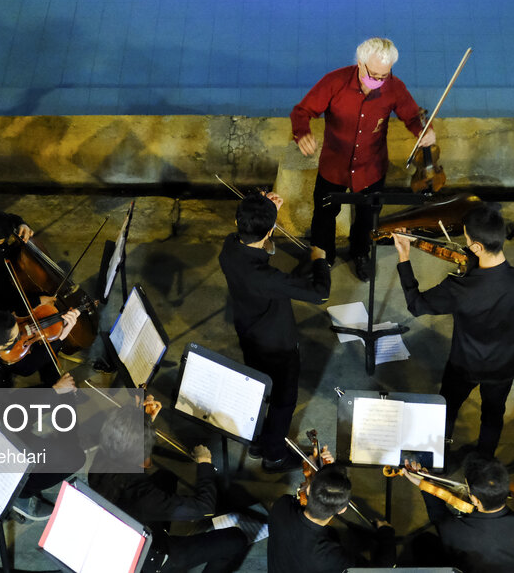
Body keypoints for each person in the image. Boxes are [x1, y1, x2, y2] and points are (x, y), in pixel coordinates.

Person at [393, 203, 514, 456]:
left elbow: (416, 305)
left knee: (447, 409)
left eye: (467, 239)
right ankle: (484, 460)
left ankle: (438, 457)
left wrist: (404, 257)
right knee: (494, 413)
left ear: (477, 247)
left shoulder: (458, 289)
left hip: (466, 365)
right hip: (506, 363)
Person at [291, 37, 435, 281]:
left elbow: (412, 116)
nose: (379, 81)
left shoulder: (394, 87)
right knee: (324, 214)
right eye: (374, 74)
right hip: (335, 164)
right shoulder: (334, 81)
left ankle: (360, 253)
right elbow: (302, 111)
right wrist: (302, 133)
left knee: (367, 217)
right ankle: (322, 256)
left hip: (372, 166)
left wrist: (423, 130)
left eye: (384, 76)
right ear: (360, 63)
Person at [218, 193, 330, 471]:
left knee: (259, 386)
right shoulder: (267, 279)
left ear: (237, 222)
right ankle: (274, 454)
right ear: (270, 231)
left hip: (247, 330)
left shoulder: (229, 247)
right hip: (277, 344)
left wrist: (267, 211)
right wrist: (320, 260)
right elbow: (320, 293)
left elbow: (262, 244)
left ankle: (257, 439)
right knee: (283, 399)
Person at [88, 396, 248, 573]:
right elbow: (205, 507)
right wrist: (205, 463)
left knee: (166, 478)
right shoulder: (144, 496)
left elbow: (124, 439)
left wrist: (142, 422)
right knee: (236, 540)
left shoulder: (102, 458)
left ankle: (163, 528)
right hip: (148, 557)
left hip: (121, 526)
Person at [0, 310, 85, 520]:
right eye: (16, 337)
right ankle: (21, 493)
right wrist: (53, 392)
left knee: (64, 393)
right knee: (76, 459)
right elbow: (12, 418)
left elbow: (25, 366)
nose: (24, 336)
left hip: (7, 408)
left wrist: (60, 337)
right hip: (1, 435)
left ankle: (64, 446)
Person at [404, 453, 514, 572]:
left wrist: (425, 485)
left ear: (475, 500)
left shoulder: (455, 531)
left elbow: (438, 515)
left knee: (422, 542)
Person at [267, 463, 395, 573]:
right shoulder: (331, 557)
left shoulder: (281, 505)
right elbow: (379, 570)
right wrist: (387, 534)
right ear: (342, 510)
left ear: (309, 489)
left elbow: (295, 501)